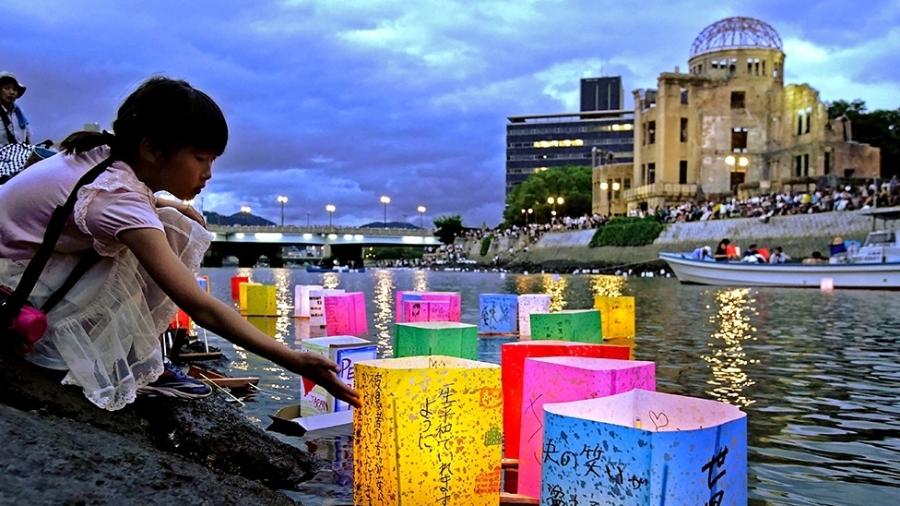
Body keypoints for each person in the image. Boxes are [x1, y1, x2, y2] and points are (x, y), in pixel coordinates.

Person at [0, 77, 359, 411]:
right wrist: (294, 359)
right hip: (10, 289)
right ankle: (116, 361)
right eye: (200, 158)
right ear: (153, 149)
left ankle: (120, 355)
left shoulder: (100, 157)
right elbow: (198, 306)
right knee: (170, 233)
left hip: (18, 269)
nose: (208, 172)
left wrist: (164, 201)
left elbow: (88, 201)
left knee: (170, 220)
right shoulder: (117, 198)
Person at [0, 72, 31, 146]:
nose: (11, 92)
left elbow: (27, 140)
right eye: (7, 88)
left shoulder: (20, 116)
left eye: (14, 89)